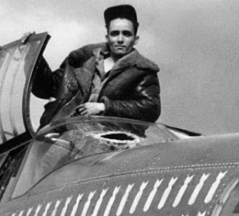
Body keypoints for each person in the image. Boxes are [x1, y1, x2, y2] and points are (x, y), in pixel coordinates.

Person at [32, 4, 161, 128]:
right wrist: (35, 58)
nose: (120, 39)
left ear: (135, 39)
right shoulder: (82, 59)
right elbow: (48, 88)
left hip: (107, 142)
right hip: (60, 134)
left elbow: (150, 108)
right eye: (115, 33)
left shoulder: (143, 71)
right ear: (107, 37)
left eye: (126, 34)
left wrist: (104, 107)